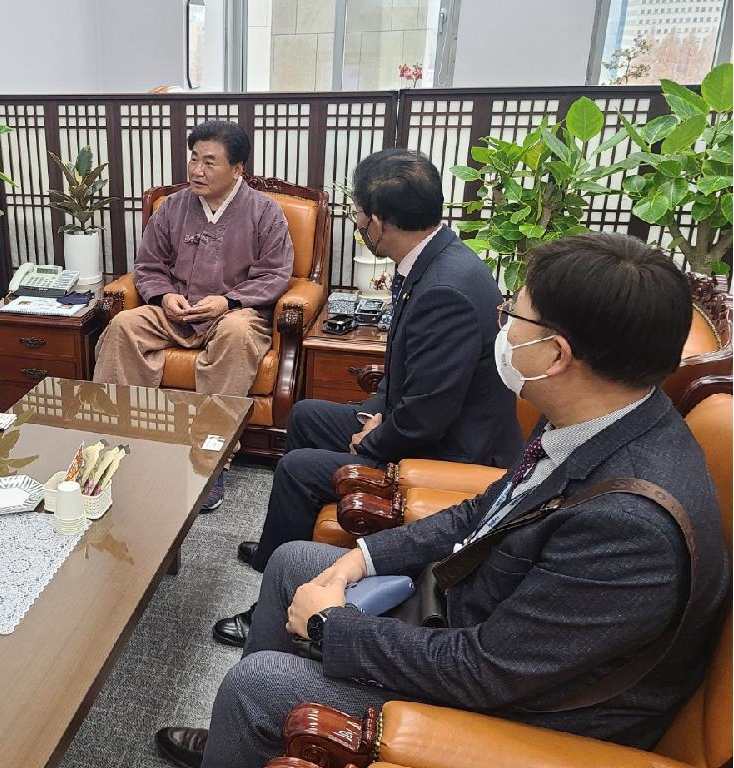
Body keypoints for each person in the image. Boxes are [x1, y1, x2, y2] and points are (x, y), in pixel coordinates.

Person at [155, 233, 730, 768]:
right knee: (295, 563)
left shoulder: (630, 526)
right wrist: (364, 557)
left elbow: (489, 672)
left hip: (537, 711)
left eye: (513, 317)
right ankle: (247, 740)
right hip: (487, 615)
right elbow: (487, 510)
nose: (501, 331)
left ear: (555, 355)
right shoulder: (594, 416)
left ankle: (252, 720)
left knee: (257, 684)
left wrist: (331, 628)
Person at [213, 148, 521, 647]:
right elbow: (408, 380)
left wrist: (374, 441)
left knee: (296, 468)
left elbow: (429, 415)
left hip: (450, 450)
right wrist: (376, 414)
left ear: (380, 223)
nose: (355, 220)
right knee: (309, 415)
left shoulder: (448, 288)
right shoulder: (431, 256)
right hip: (418, 419)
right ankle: (279, 550)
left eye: (357, 212)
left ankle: (276, 598)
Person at [92, 120, 294, 511]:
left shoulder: (264, 211)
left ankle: (210, 459)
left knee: (236, 334)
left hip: (235, 313)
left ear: (237, 169)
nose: (197, 170)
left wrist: (229, 302)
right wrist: (164, 296)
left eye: (210, 162)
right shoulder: (173, 207)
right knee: (123, 325)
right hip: (176, 310)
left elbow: (276, 274)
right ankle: (117, 440)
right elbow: (148, 265)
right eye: (194, 160)